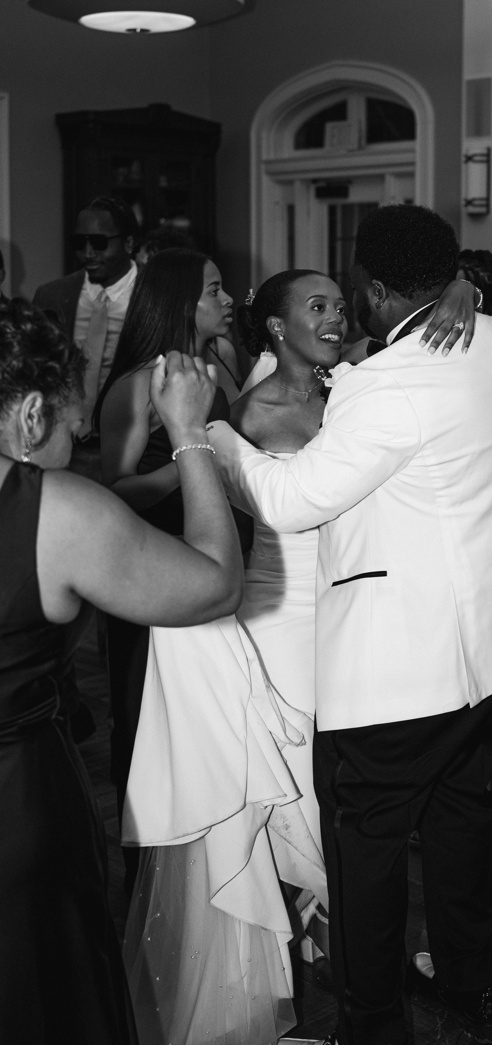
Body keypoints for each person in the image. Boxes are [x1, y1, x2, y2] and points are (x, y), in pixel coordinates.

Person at [208, 204, 492, 1045]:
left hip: (405, 672)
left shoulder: (383, 385)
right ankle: (474, 986)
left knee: (364, 852)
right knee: (462, 820)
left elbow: (287, 499)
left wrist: (211, 434)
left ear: (369, 287)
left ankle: (373, 1026)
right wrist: (468, 287)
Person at [0, 297, 243, 1044]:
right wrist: (190, 435)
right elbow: (213, 583)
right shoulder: (53, 511)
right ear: (31, 412)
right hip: (17, 805)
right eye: (72, 422)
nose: (80, 435)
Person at [119, 269, 349, 1045]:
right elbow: (178, 490)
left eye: (341, 302)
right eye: (318, 305)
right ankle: (299, 952)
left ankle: (328, 933)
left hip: (351, 619)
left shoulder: (353, 394)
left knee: (336, 792)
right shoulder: (241, 416)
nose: (337, 314)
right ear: (278, 328)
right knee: (290, 797)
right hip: (277, 617)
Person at [89, 248, 238, 892]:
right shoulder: (133, 385)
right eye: (213, 289)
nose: (227, 298)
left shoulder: (223, 363)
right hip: (152, 569)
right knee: (142, 719)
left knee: (212, 719)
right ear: (181, 303)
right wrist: (193, 457)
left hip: (222, 559)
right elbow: (113, 493)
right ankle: (145, 871)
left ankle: (212, 857)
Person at [33, 196, 141, 439]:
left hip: (134, 436)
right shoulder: (51, 296)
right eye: (79, 243)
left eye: (99, 242)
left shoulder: (157, 294)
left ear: (129, 242)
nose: (88, 253)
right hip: (63, 438)